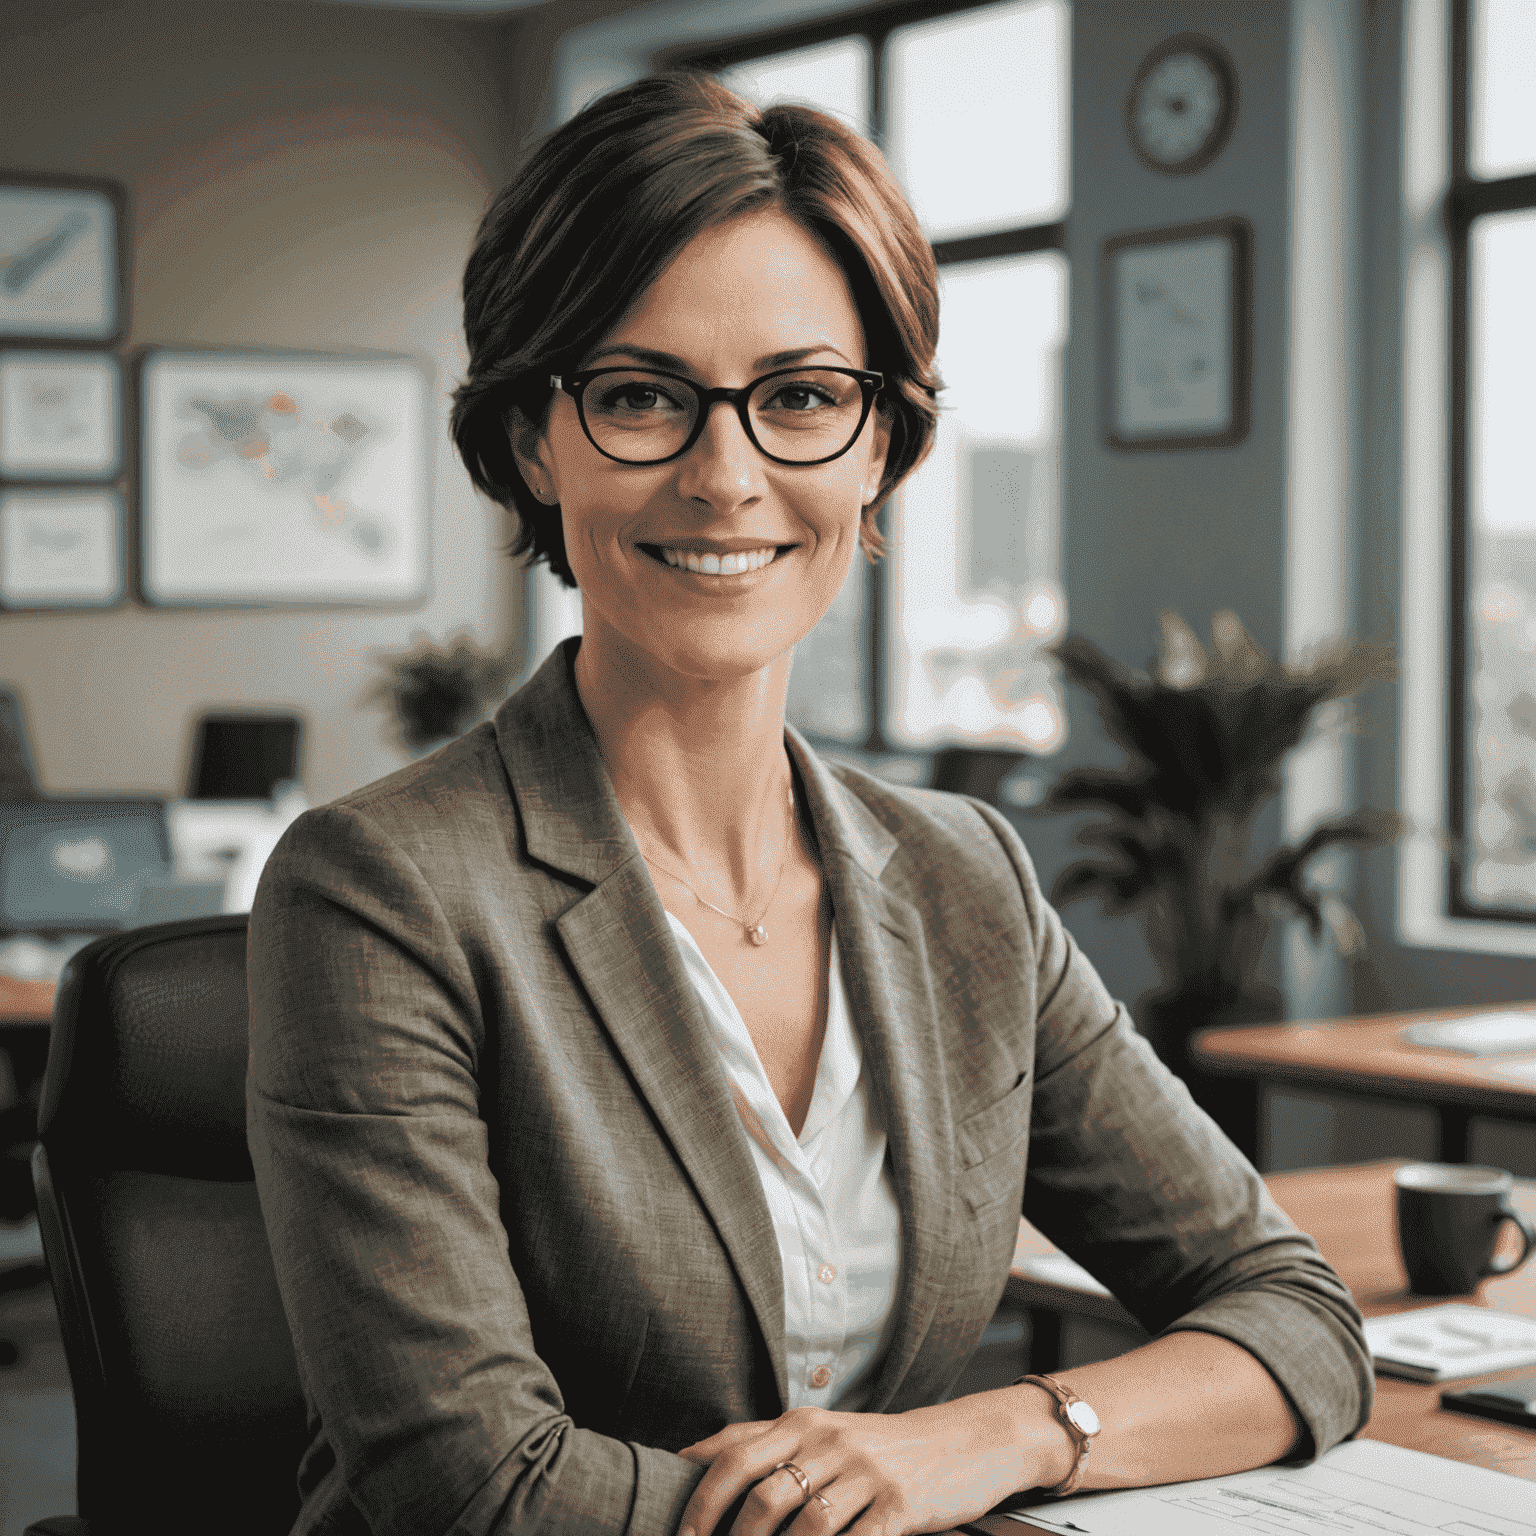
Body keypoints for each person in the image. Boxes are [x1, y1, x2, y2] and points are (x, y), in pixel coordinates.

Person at [247, 72, 1372, 1536]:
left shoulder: (966, 878)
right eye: (639, 395)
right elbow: (475, 1486)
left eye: (801, 400)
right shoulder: (380, 888)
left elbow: (1293, 1313)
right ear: (535, 438)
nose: (727, 477)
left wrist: (1006, 1435)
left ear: (882, 448)